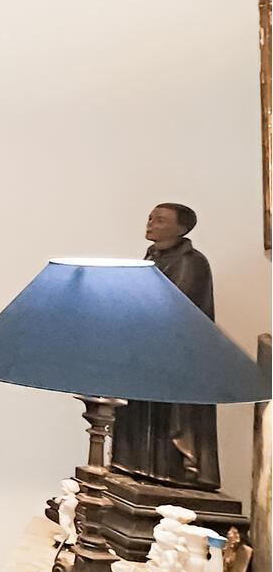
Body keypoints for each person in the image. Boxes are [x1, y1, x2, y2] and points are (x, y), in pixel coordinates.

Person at [112, 202, 221, 488]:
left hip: (177, 354)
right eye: (150, 218)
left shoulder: (191, 262)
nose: (151, 224)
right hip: (147, 350)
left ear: (181, 228)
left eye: (160, 220)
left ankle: (175, 470)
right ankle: (137, 465)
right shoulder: (151, 258)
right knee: (138, 408)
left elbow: (174, 305)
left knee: (171, 415)